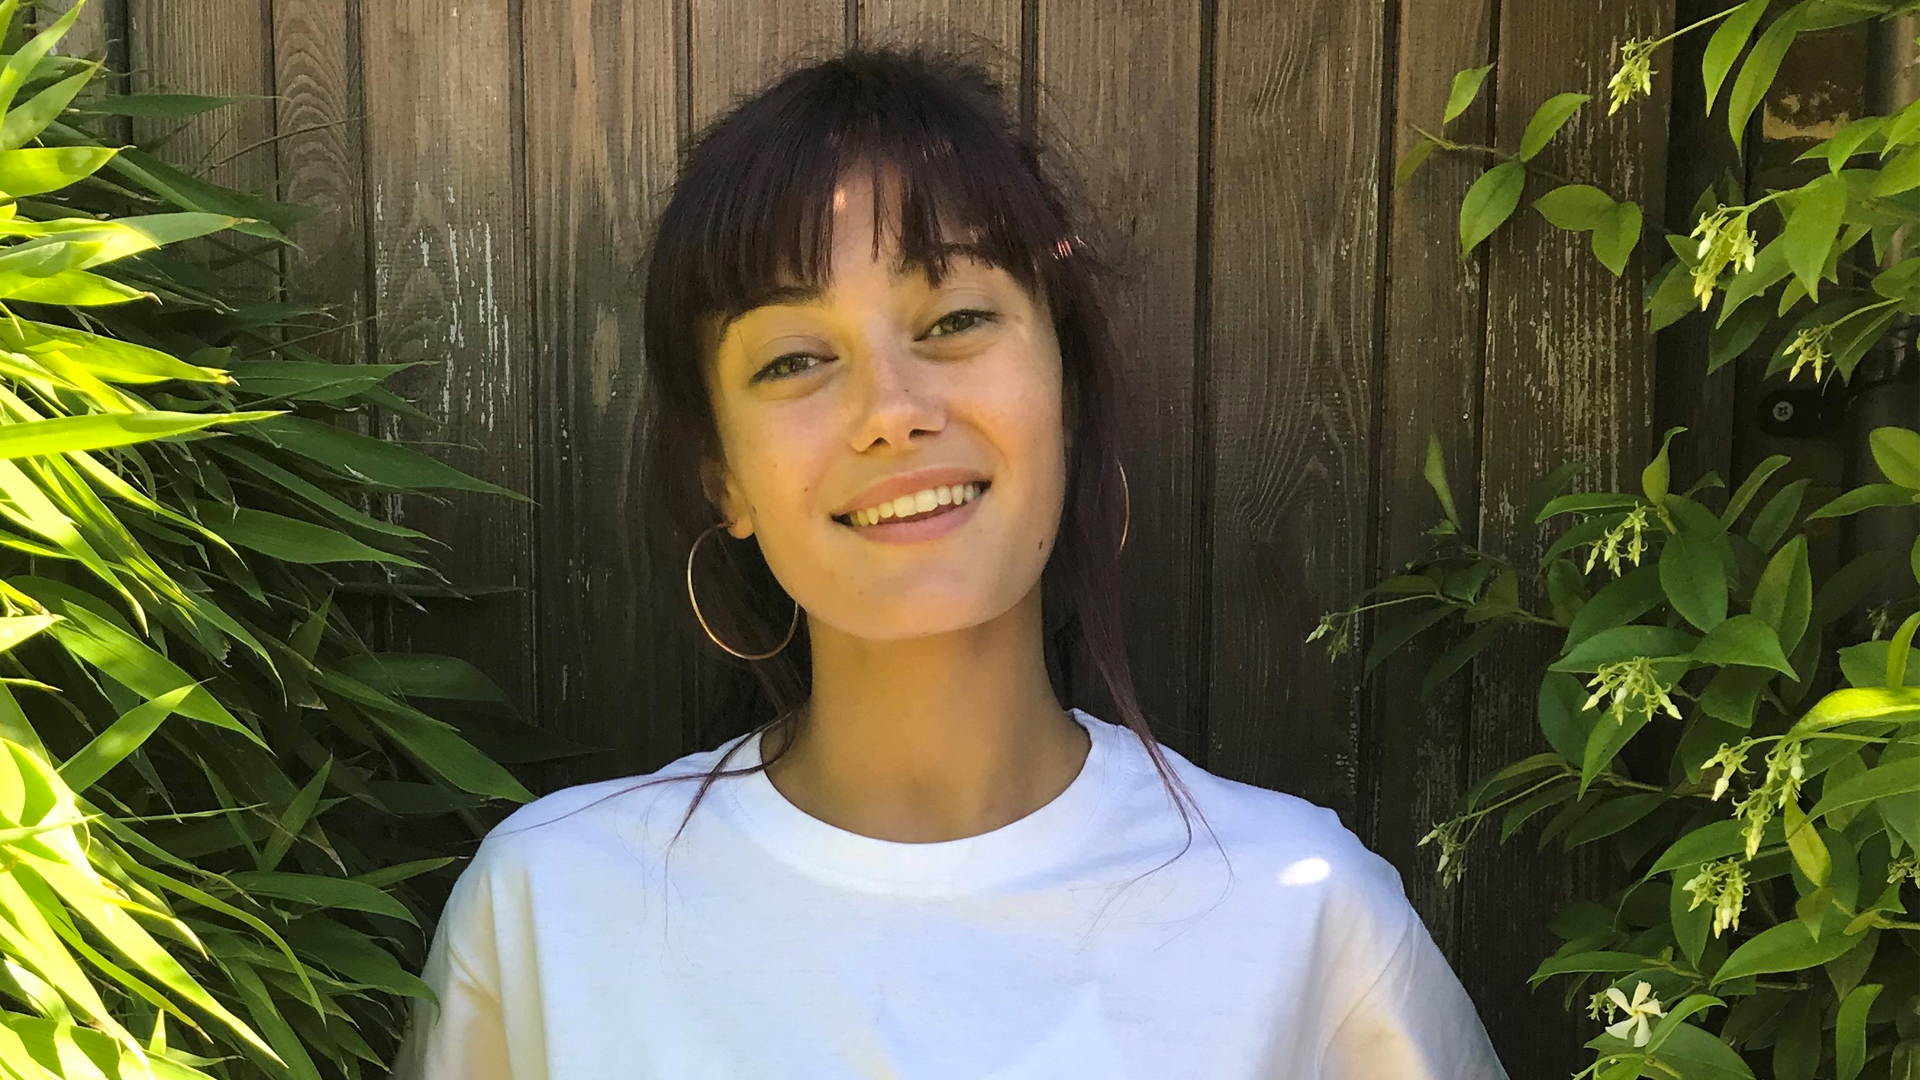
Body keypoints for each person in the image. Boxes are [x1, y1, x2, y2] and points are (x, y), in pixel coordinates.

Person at [390, 42, 1510, 1080]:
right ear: (720, 476)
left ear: (1066, 398)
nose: (892, 411)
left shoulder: (1305, 921)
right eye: (791, 359)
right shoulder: (550, 915)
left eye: (956, 318)